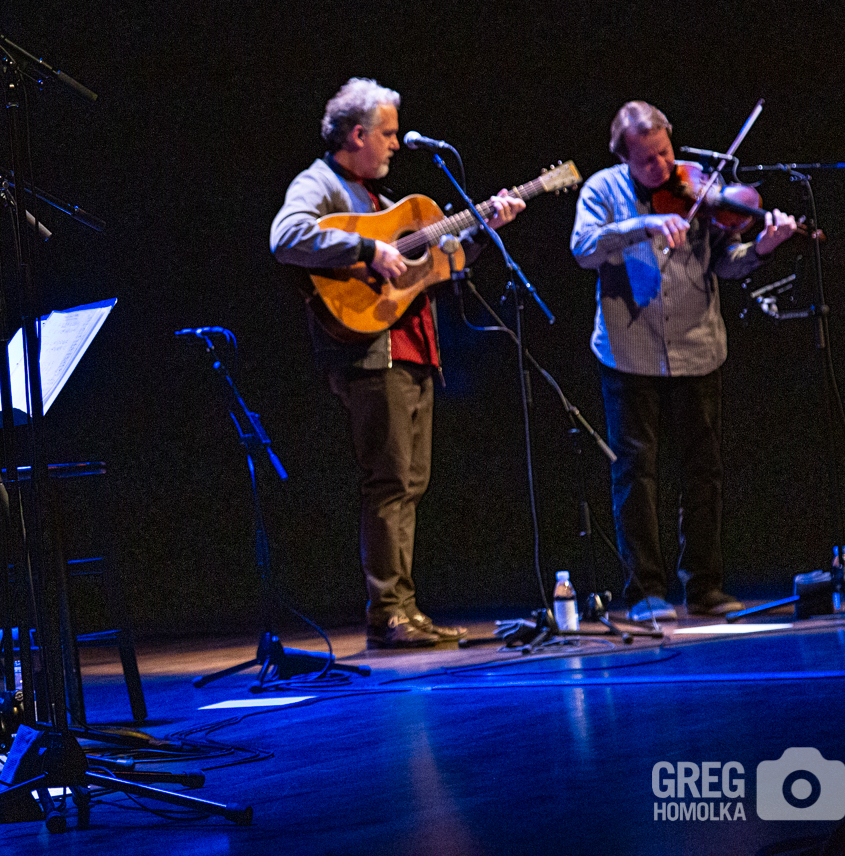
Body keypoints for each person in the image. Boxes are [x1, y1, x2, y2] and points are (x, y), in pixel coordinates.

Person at [270, 78, 523, 648]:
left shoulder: (387, 204)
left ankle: (404, 608)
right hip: (370, 353)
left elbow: (441, 265)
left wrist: (485, 230)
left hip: (413, 350)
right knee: (388, 483)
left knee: (411, 482)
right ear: (356, 133)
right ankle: (388, 612)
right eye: (386, 134)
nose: (393, 144)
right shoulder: (321, 183)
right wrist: (368, 249)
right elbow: (286, 237)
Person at [571, 101, 797, 623]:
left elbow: (726, 262)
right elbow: (583, 249)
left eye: (666, 153)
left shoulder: (699, 186)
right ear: (624, 157)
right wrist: (643, 223)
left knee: (703, 472)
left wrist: (763, 248)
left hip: (698, 347)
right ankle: (646, 590)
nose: (662, 167)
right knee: (636, 473)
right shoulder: (602, 192)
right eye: (647, 160)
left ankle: (705, 587)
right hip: (629, 350)